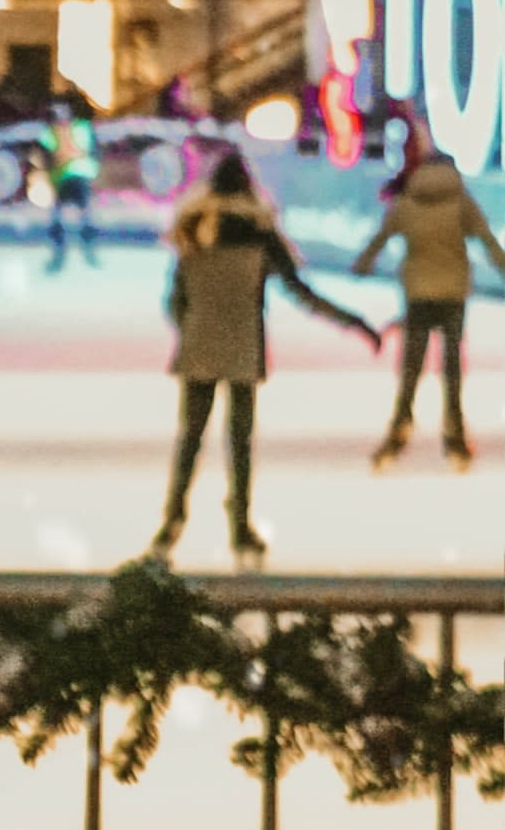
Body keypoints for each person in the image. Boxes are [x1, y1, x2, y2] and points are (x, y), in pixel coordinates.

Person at [153, 148, 380, 561]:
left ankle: (172, 521)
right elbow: (302, 293)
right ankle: (240, 526)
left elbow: (174, 300)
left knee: (190, 438)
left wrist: (190, 329)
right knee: (240, 442)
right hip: (243, 347)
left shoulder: (191, 229)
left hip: (199, 349)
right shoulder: (260, 232)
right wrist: (355, 322)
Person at [353, 121, 505, 470]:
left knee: (412, 366)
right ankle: (455, 435)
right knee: (452, 367)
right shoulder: (461, 202)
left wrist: (363, 264)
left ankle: (400, 424)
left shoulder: (408, 202)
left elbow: (380, 237)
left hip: (418, 292)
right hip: (452, 293)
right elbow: (488, 242)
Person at [46, 93, 100, 272]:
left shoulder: (82, 128)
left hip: (79, 176)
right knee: (60, 217)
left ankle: (88, 249)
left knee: (85, 214)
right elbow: (50, 156)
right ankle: (60, 253)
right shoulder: (52, 132)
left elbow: (88, 151)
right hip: (64, 178)